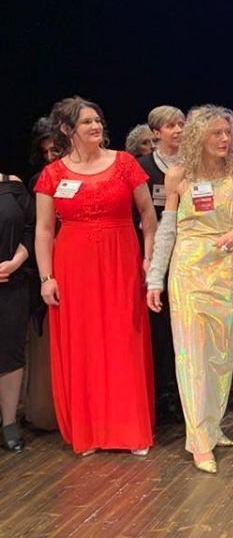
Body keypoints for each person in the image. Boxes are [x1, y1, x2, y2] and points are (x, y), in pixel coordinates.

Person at [34, 96, 157, 456]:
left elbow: (148, 216)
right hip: (73, 265)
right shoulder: (53, 174)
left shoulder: (124, 163)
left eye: (98, 120)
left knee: (123, 339)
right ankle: (89, 431)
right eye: (87, 121)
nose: (96, 126)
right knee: (83, 343)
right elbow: (44, 230)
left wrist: (149, 258)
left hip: (121, 259)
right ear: (67, 129)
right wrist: (46, 277)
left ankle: (129, 430)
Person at [146, 105, 233, 474]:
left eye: (227, 132)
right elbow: (167, 230)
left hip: (225, 268)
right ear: (198, 137)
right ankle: (198, 441)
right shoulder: (179, 175)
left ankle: (212, 424)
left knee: (221, 352)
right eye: (216, 133)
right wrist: (155, 279)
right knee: (191, 354)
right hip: (189, 269)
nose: (224, 139)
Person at [138, 105, 186, 424]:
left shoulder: (194, 165)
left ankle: (184, 394)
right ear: (156, 132)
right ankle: (161, 391)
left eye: (181, 124)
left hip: (189, 251)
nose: (178, 130)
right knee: (158, 323)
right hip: (155, 251)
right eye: (171, 125)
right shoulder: (142, 167)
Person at [25, 118, 58, 432]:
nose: (50, 157)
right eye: (45, 151)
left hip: (85, 259)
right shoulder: (40, 180)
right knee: (47, 337)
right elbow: (38, 229)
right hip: (49, 265)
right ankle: (48, 409)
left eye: (55, 150)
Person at [0, 172, 34, 452]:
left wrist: (16, 261)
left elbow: (32, 227)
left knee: (11, 352)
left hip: (12, 282)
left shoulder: (12, 184)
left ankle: (9, 423)